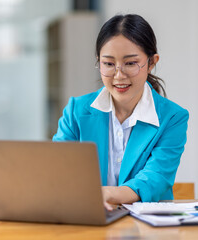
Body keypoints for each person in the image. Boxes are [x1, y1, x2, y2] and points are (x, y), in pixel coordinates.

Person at [53, 14, 189, 210]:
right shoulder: (76, 111)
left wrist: (107, 194)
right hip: (87, 219)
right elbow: (57, 170)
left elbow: (155, 178)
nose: (119, 75)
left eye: (130, 63)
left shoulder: (173, 117)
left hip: (147, 225)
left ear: (151, 62)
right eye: (108, 64)